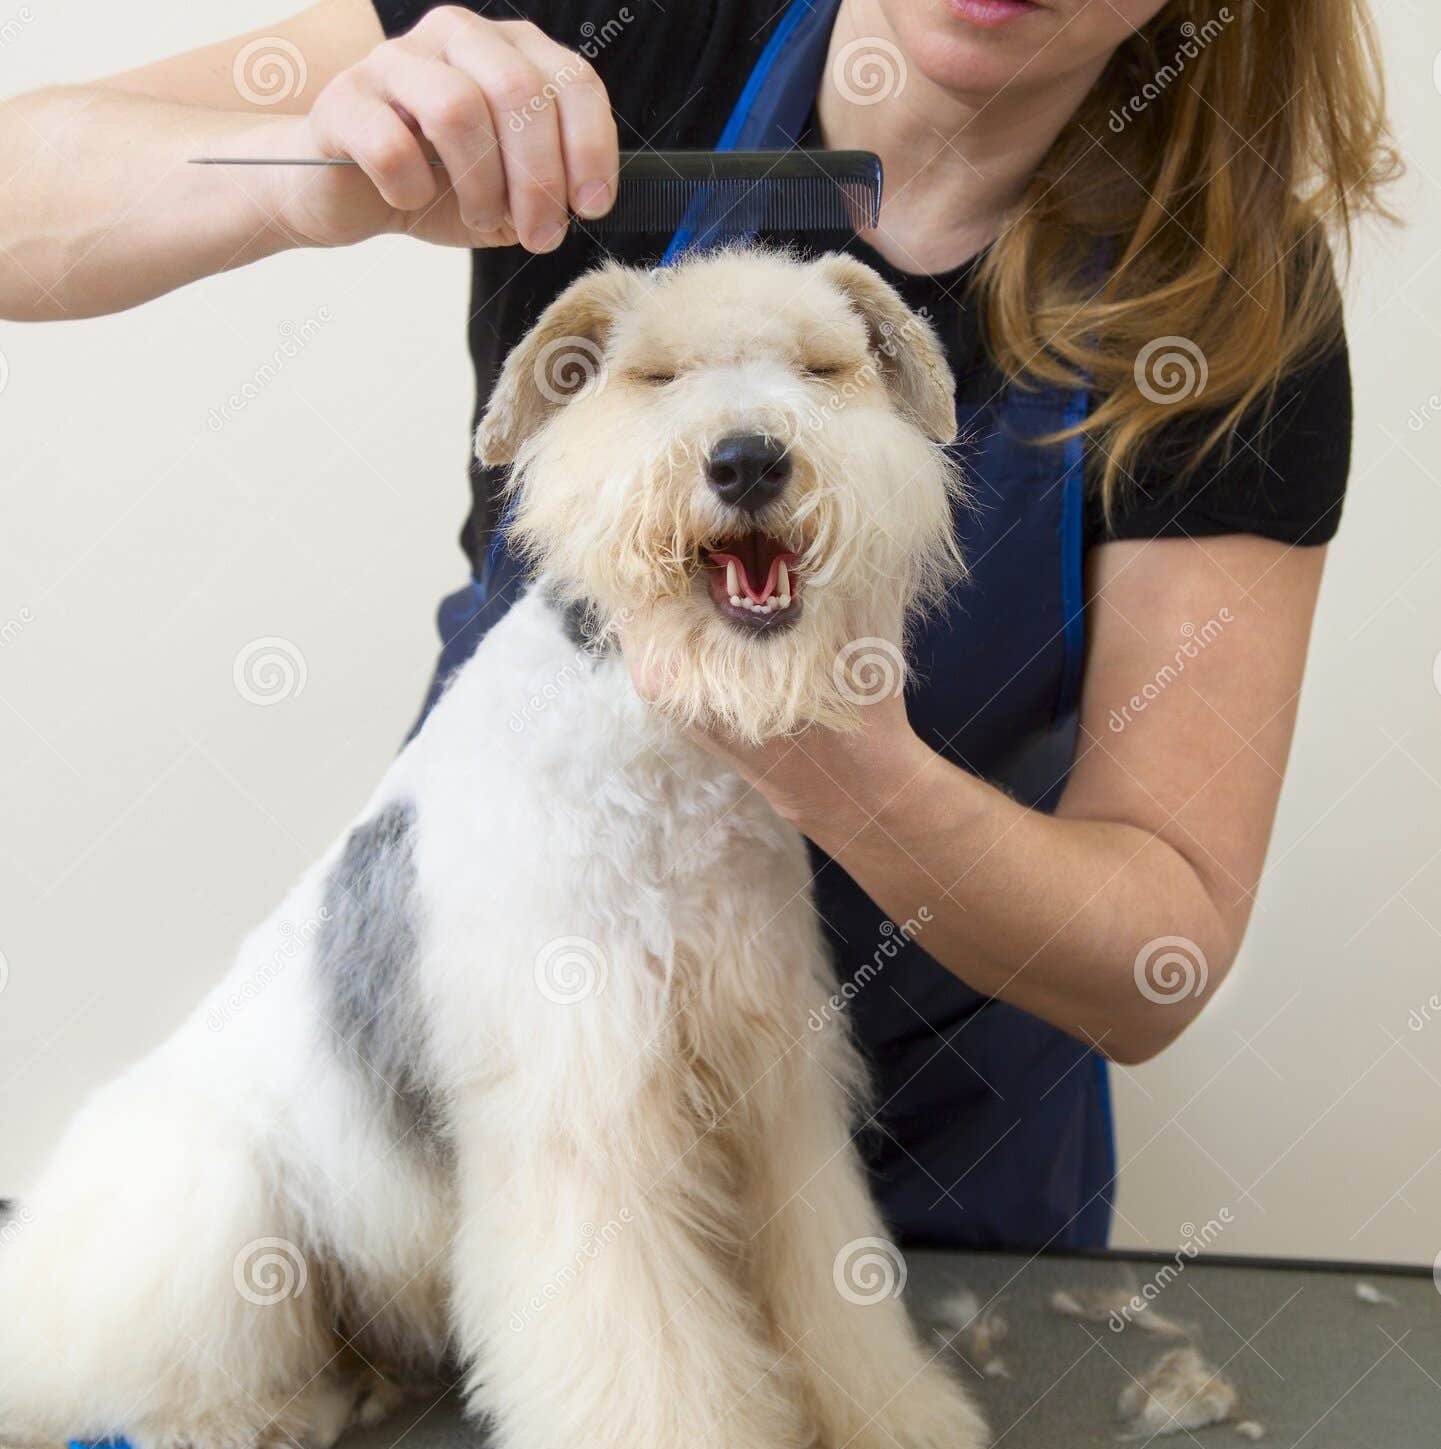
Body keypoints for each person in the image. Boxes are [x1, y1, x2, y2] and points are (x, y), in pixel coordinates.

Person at [0, 0, 1396, 1248]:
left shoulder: (1214, 306)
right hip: (495, 1126)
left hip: (937, 1188)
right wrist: (303, 171)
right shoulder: (628, 30)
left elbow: (1157, 959)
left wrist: (841, 764)